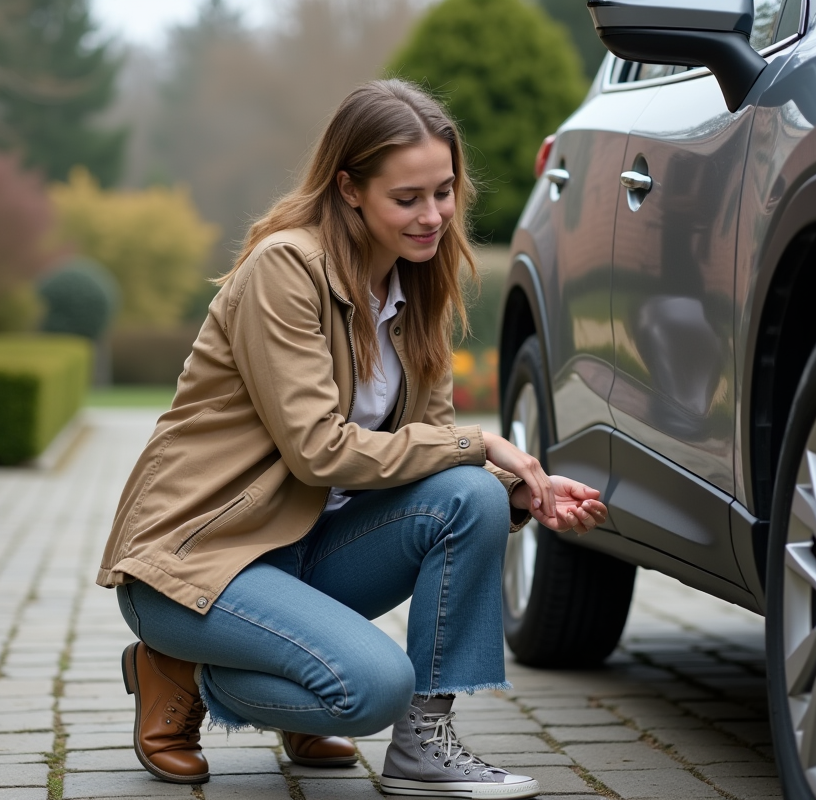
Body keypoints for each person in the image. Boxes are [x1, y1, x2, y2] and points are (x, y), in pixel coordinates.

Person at [96, 78, 608, 799]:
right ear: (349, 189)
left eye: (444, 191)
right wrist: (481, 444)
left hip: (304, 551)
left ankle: (425, 749)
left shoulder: (417, 287)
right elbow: (320, 450)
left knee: (472, 496)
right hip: (197, 565)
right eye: (409, 198)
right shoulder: (286, 269)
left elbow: (431, 457)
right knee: (372, 688)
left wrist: (517, 490)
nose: (433, 216)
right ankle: (175, 667)